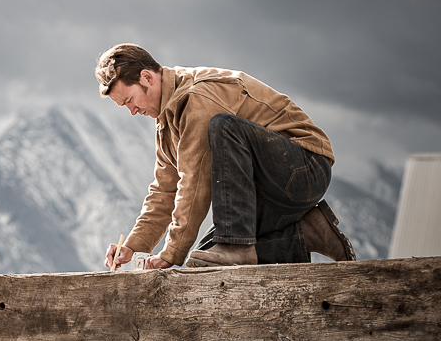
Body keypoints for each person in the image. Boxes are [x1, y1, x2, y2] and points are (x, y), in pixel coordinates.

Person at [96, 43, 355, 271]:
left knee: (223, 127)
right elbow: (165, 191)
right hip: (267, 191)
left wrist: (171, 252)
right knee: (203, 262)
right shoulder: (166, 123)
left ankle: (237, 246)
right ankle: (309, 233)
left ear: (147, 78)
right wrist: (132, 246)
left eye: (129, 100)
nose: (131, 111)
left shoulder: (196, 97)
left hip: (305, 168)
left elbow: (194, 181)